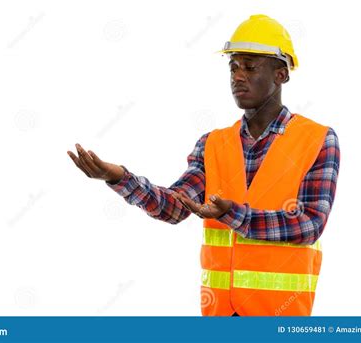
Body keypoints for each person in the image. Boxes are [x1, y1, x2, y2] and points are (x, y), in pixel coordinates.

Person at [67, 14, 340, 316]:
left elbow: (309, 224)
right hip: (219, 317)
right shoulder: (213, 144)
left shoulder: (317, 139)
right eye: (233, 67)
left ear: (281, 74)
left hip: (281, 317)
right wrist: (119, 178)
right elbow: (174, 207)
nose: (238, 76)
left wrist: (232, 214)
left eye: (250, 66)